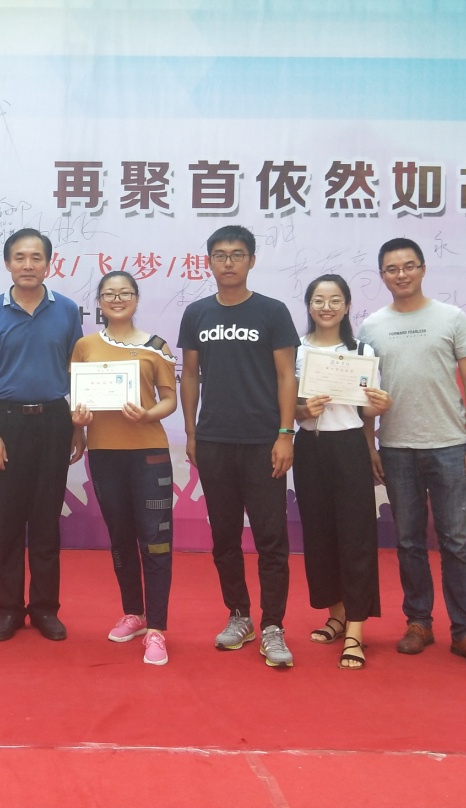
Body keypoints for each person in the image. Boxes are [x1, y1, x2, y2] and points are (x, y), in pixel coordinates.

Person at [359, 237, 466, 671]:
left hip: (450, 445)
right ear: (382, 275)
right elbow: (363, 393)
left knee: (457, 542)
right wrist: (370, 445)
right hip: (396, 447)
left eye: (409, 266)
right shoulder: (370, 327)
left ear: (422, 269)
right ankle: (418, 622)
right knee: (408, 541)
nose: (401, 274)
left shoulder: (451, 317)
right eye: (392, 268)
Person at [177, 224, 299, 668]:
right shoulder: (197, 313)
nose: (228, 262)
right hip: (214, 441)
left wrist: (285, 434)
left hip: (263, 441)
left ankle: (273, 625)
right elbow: (190, 375)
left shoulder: (272, 311)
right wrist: (191, 432)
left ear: (251, 260)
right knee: (224, 537)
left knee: (271, 538)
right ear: (209, 261)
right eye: (220, 255)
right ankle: (239, 615)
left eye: (237, 254)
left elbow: (286, 376)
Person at [0, 228, 85, 642]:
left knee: (47, 522)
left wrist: (77, 427)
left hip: (53, 421)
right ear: (7, 263)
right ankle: (9, 610)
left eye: (36, 257)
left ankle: (45, 609)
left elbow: (77, 370)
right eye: (20, 257)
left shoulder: (66, 310)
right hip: (6, 422)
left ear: (49, 264)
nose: (28, 265)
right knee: (9, 523)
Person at [71, 271, 177, 666]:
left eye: (125, 293)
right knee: (120, 537)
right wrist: (78, 425)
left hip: (149, 452)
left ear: (136, 298)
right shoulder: (85, 346)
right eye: (109, 294)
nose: (117, 299)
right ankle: (134, 612)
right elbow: (77, 400)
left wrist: (148, 414)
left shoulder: (156, 346)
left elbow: (170, 400)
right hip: (104, 454)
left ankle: (157, 629)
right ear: (99, 302)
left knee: (156, 540)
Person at [293, 274, 392, 670]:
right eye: (319, 300)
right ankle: (335, 615)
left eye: (335, 300)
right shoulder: (296, 350)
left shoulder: (362, 351)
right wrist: (303, 410)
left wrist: (379, 407)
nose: (327, 307)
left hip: (349, 447)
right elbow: (286, 407)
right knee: (318, 535)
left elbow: (366, 411)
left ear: (348, 306)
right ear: (309, 305)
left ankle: (356, 629)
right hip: (310, 448)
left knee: (356, 536)